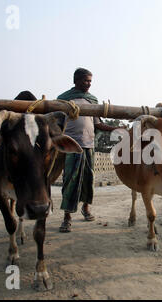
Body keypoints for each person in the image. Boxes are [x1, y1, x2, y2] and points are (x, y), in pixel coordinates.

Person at [58, 68, 119, 233]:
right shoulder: (63, 100)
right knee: (70, 180)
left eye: (90, 81)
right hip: (71, 145)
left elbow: (98, 124)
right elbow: (56, 124)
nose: (89, 84)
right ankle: (67, 218)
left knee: (88, 179)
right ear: (76, 81)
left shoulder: (92, 101)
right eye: (86, 81)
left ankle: (86, 208)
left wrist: (117, 129)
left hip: (89, 145)